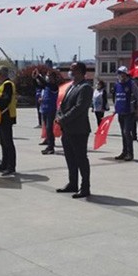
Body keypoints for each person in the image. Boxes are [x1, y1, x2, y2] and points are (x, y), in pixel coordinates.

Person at [55, 62, 93, 198]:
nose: (70, 72)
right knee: (70, 159)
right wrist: (58, 116)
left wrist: (63, 119)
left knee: (81, 159)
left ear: (80, 72)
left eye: (73, 70)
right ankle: (73, 183)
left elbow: (79, 108)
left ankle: (85, 187)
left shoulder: (85, 87)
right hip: (67, 129)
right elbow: (62, 105)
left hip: (79, 130)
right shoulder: (71, 86)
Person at [0, 67, 17, 176]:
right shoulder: (1, 85)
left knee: (8, 143)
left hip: (6, 117)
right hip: (0, 117)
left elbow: (5, 100)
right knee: (3, 142)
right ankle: (4, 164)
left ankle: (11, 166)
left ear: (0, 74)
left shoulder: (7, 84)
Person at [113, 66, 138, 161]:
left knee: (127, 132)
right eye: (119, 73)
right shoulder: (117, 84)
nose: (120, 75)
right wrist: (115, 108)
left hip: (129, 111)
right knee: (123, 133)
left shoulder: (131, 84)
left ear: (126, 74)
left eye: (121, 73)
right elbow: (116, 97)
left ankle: (130, 153)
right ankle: (124, 151)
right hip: (120, 111)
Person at [33, 68, 59, 155]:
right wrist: (34, 78)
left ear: (54, 78)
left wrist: (38, 76)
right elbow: (38, 85)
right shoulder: (47, 86)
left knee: (49, 128)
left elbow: (44, 83)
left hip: (51, 110)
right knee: (47, 128)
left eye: (50, 76)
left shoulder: (54, 86)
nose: (48, 78)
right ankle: (50, 143)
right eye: (47, 76)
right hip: (44, 109)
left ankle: (51, 147)